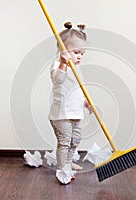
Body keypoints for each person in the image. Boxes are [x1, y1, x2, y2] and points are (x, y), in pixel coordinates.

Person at [48, 22, 93, 184]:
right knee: (65, 141)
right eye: (76, 52)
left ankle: (68, 161)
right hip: (61, 114)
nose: (80, 56)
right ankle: (62, 169)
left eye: (82, 53)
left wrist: (86, 103)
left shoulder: (77, 69)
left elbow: (78, 90)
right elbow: (58, 81)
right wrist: (63, 63)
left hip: (75, 112)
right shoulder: (58, 66)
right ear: (63, 51)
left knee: (76, 139)